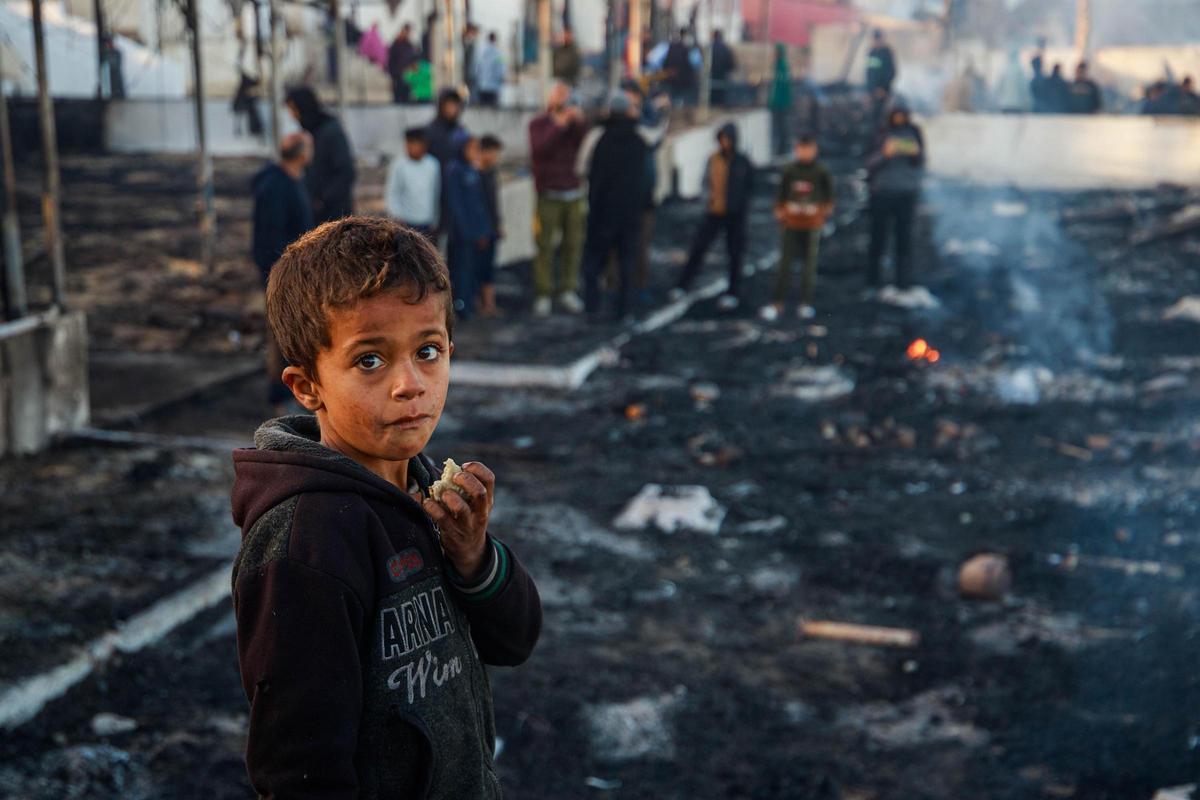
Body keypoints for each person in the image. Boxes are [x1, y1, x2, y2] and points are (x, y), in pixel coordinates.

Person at [231, 216, 542, 797]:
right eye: (370, 360)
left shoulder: (425, 489)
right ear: (307, 386)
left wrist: (473, 555)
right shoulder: (307, 541)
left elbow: (515, 640)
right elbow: (299, 772)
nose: (410, 384)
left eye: (428, 350)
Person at [251, 132, 314, 413]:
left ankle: (291, 388)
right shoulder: (276, 186)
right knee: (280, 330)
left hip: (293, 268)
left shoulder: (293, 181)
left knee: (293, 328)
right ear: (302, 154)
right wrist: (279, 269)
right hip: (279, 269)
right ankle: (279, 395)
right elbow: (270, 235)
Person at [581, 92, 647, 321]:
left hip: (602, 210)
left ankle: (592, 307)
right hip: (630, 211)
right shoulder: (638, 139)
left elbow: (584, 170)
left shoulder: (599, 138)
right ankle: (624, 308)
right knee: (626, 260)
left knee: (594, 260)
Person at [673, 123, 753, 310]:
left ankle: (733, 291)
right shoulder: (714, 159)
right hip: (715, 211)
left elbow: (749, 187)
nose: (724, 143)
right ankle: (682, 285)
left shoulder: (742, 162)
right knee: (699, 248)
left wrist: (740, 206)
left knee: (735, 254)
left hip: (735, 215)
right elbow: (707, 182)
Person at [528, 82, 588, 316]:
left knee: (573, 243)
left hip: (573, 192)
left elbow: (584, 138)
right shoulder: (539, 124)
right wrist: (558, 126)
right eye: (559, 96)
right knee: (544, 245)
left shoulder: (573, 125)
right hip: (548, 194)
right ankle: (543, 292)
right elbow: (540, 149)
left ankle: (567, 288)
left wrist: (577, 121)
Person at [763, 134, 833, 322]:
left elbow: (829, 198)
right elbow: (781, 196)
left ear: (814, 150)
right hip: (792, 223)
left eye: (808, 148)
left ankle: (805, 302)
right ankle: (777, 302)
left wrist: (821, 214)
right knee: (785, 264)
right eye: (802, 148)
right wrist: (781, 212)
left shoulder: (821, 171)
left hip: (812, 225)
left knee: (809, 264)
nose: (805, 152)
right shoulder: (790, 171)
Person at [866, 106, 925, 290]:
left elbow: (921, 161)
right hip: (882, 192)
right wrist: (885, 154)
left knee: (904, 241)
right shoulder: (880, 132)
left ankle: (903, 283)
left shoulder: (914, 132)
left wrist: (915, 152)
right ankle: (873, 282)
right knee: (878, 240)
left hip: (906, 193)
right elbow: (868, 163)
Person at [285, 86, 356, 223]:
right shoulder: (313, 131)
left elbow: (346, 172)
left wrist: (322, 200)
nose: (292, 115)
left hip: (334, 214)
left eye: (293, 109)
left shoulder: (330, 132)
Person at [445, 138, 497, 319]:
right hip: (462, 234)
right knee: (461, 270)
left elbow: (480, 204)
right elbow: (456, 205)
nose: (475, 151)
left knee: (473, 269)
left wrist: (483, 230)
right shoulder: (455, 170)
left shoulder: (472, 170)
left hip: (476, 232)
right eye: (471, 148)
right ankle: (461, 306)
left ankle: (470, 304)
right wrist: (466, 231)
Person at [385, 127, 440, 240]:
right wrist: (397, 217)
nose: (412, 147)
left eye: (416, 144)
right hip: (406, 223)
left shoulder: (432, 164)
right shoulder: (399, 165)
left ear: (424, 145)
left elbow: (436, 193)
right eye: (409, 143)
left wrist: (435, 220)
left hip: (427, 223)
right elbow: (392, 193)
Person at [477, 135, 505, 317]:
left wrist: (498, 225)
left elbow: (495, 204)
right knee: (479, 269)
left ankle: (489, 304)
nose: (496, 156)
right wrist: (482, 231)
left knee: (488, 268)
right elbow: (479, 207)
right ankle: (481, 305)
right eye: (493, 152)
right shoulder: (476, 175)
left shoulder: (492, 173)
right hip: (481, 231)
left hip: (491, 229)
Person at [866, 29, 897, 123]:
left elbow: (891, 72)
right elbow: (869, 73)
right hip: (872, 92)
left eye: (877, 39)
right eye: (874, 39)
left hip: (884, 92)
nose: (875, 42)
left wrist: (883, 89)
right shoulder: (871, 53)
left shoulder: (887, 53)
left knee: (883, 118)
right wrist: (869, 90)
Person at [768, 44, 792, 157]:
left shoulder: (782, 66)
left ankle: (782, 150)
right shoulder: (779, 65)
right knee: (780, 127)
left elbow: (780, 86)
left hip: (780, 103)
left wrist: (773, 100)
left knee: (781, 127)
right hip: (779, 103)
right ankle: (780, 149)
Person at [664, 27, 697, 106]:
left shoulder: (670, 46)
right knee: (684, 104)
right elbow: (696, 64)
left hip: (672, 79)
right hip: (685, 82)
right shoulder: (691, 49)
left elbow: (658, 61)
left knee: (672, 102)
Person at [474, 31, 506, 107]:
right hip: (494, 87)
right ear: (495, 40)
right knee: (492, 111)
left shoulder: (480, 53)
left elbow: (477, 69)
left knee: (482, 110)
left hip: (482, 86)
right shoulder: (499, 53)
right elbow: (501, 70)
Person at [388, 23, 418, 104]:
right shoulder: (396, 45)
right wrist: (392, 76)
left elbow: (413, 60)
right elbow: (391, 61)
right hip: (397, 75)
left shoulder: (409, 45)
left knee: (406, 98)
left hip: (407, 76)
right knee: (398, 99)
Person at [710, 29, 736, 106]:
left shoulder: (709, 48)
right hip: (722, 76)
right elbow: (731, 64)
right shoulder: (726, 49)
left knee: (711, 98)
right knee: (720, 99)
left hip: (711, 76)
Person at [462, 22, 480, 98]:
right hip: (470, 72)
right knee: (472, 93)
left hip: (473, 71)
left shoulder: (472, 42)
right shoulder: (468, 41)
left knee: (473, 92)